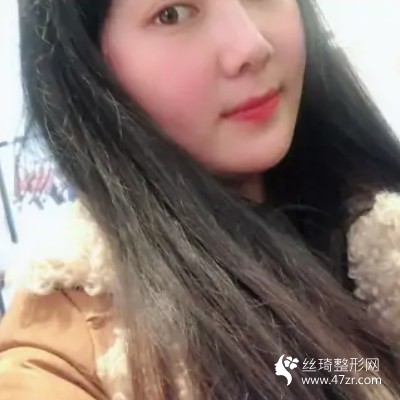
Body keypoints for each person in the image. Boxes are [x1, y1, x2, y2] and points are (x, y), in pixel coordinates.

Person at [1, 0, 400, 399]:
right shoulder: (66, 360)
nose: (251, 46)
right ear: (86, 63)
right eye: (172, 14)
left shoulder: (375, 235)